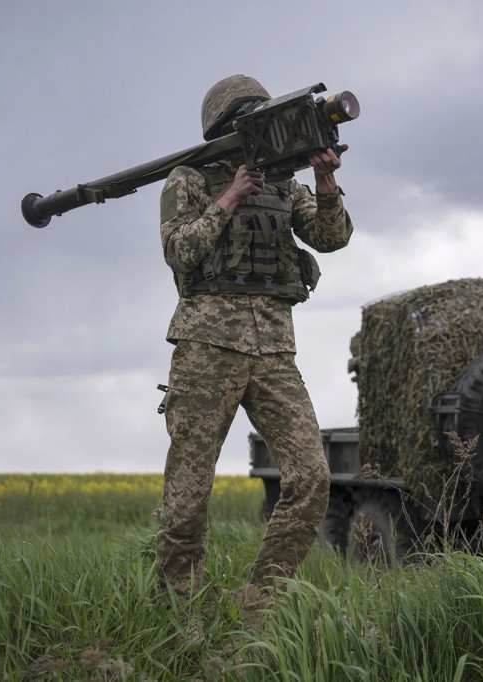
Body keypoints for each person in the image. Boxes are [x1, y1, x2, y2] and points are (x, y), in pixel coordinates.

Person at [153, 74, 354, 602]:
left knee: (312, 476)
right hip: (206, 348)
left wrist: (327, 185)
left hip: (274, 352)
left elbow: (332, 238)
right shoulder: (188, 179)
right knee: (188, 492)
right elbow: (179, 252)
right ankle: (181, 607)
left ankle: (261, 597)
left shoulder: (286, 185)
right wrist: (230, 196)